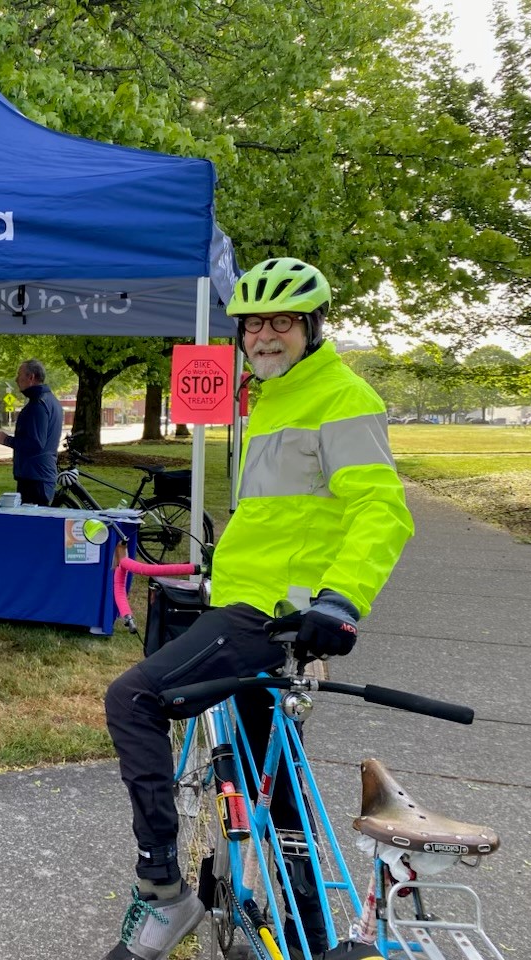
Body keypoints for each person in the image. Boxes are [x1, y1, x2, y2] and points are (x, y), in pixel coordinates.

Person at [101, 257, 414, 960]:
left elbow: (382, 509)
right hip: (250, 601)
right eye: (253, 325)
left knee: (133, 700)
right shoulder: (273, 395)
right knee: (275, 785)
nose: (265, 336)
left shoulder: (340, 395)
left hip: (273, 613)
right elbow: (283, 514)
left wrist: (343, 597)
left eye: (282, 322)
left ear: (313, 326)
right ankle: (309, 935)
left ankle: (164, 892)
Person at [0, 359, 63, 505]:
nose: (16, 379)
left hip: (35, 477)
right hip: (39, 474)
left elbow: (35, 443)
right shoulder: (50, 400)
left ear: (31, 377)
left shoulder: (38, 405)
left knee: (32, 517)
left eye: (19, 375)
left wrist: (6, 439)